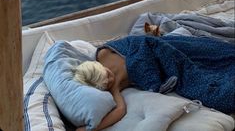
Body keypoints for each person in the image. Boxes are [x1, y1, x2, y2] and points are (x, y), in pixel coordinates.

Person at [75, 34, 235, 131]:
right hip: (164, 64)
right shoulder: (112, 86)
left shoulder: (103, 53)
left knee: (213, 51)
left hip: (164, 46)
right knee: (219, 95)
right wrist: (90, 128)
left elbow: (140, 43)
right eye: (106, 82)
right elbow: (120, 110)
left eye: (107, 75)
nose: (110, 79)